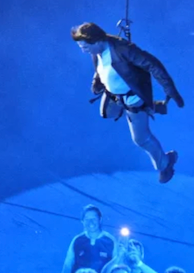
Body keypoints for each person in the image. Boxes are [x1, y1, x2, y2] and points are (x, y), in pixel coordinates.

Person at [71, 22, 184, 183]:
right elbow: (101, 67)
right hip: (115, 96)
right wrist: (97, 81)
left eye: (85, 47)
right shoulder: (95, 50)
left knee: (141, 139)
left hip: (132, 98)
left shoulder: (122, 50)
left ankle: (165, 164)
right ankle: (152, 107)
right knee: (106, 113)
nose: (83, 51)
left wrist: (170, 89)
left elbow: (153, 65)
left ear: (96, 41)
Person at [60, 204, 116, 273]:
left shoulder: (110, 241)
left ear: (100, 220)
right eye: (87, 219)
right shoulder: (77, 240)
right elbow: (67, 268)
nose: (91, 222)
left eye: (94, 218)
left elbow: (116, 269)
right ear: (82, 221)